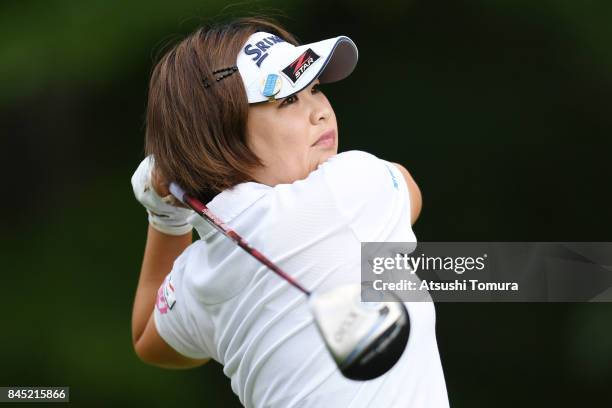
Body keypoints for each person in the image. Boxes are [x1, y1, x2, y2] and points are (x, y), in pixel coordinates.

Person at [130, 16, 449, 408]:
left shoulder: (200, 272)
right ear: (222, 135)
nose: (320, 112)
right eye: (287, 99)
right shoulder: (352, 187)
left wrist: (166, 215)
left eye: (313, 88)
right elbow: (409, 189)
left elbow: (148, 340)